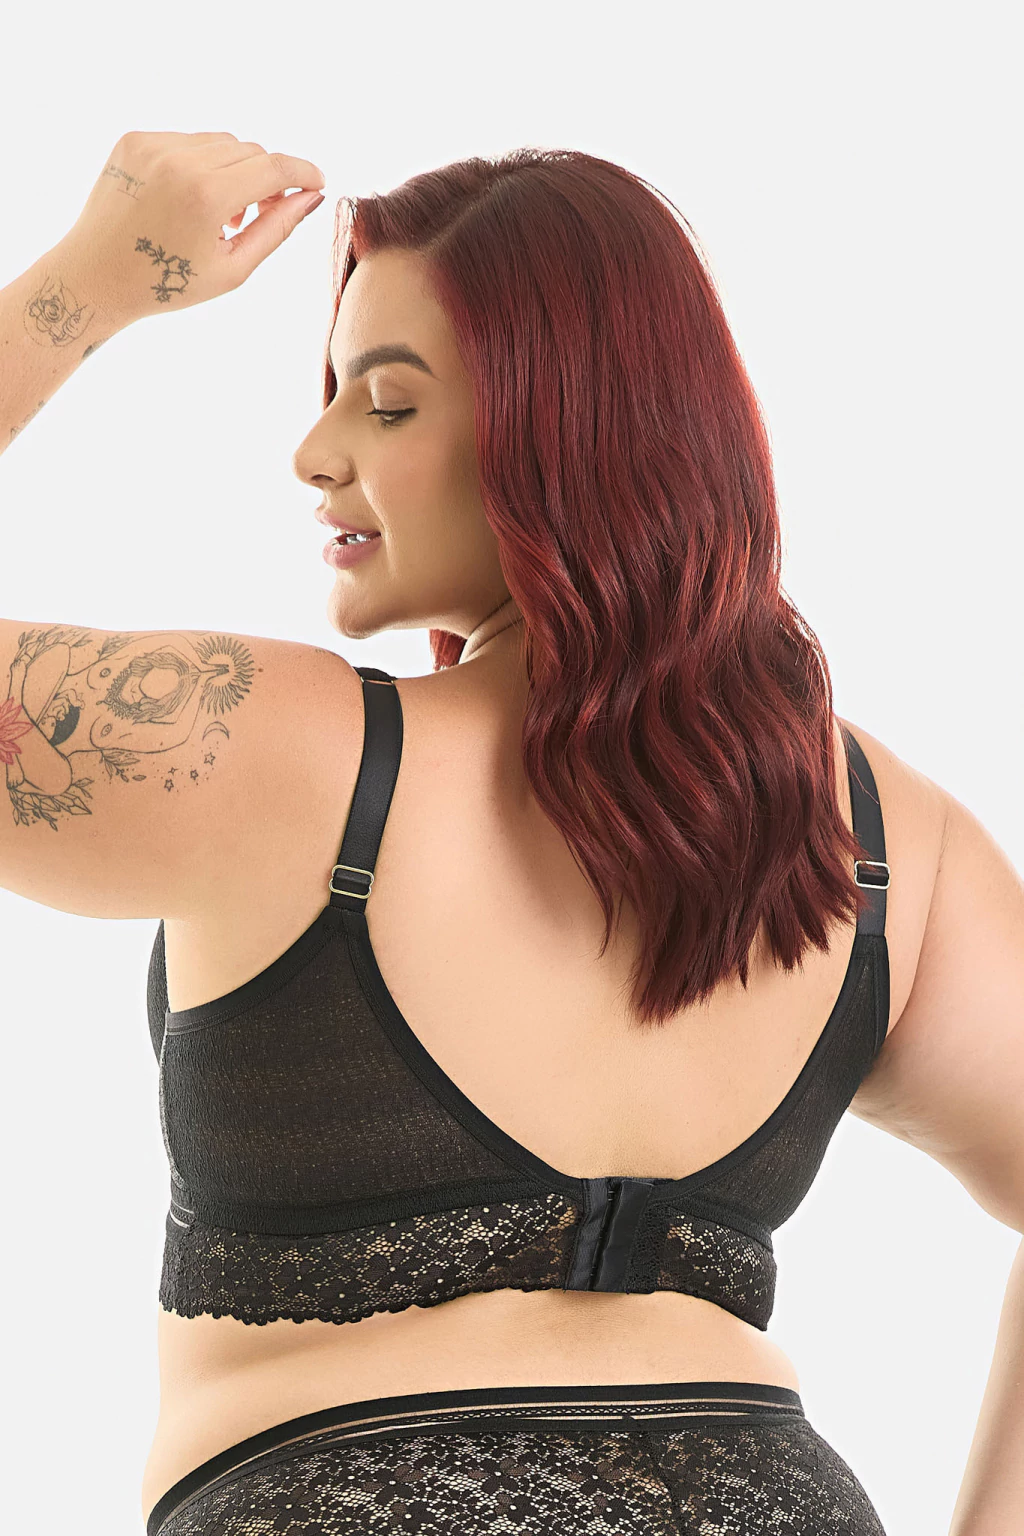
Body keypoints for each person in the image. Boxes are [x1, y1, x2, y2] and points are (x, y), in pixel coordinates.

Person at [1, 131, 1021, 1536]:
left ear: (565, 434)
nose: (315, 452)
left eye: (388, 404)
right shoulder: (883, 837)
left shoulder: (270, 750)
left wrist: (94, 278)